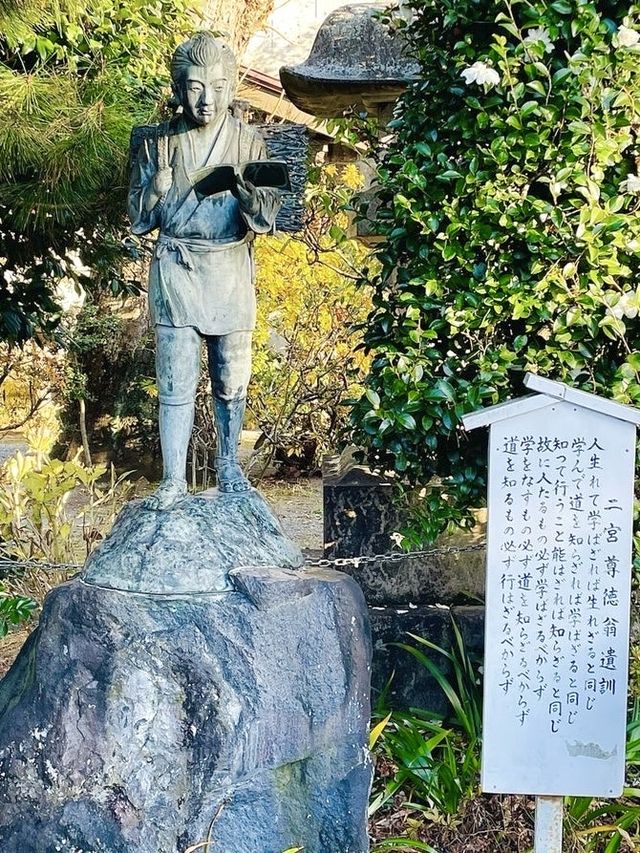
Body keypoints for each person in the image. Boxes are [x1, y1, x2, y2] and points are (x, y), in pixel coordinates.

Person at [128, 32, 281, 509]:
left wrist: (254, 201)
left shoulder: (249, 141)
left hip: (230, 266)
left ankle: (229, 467)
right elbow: (137, 219)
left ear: (231, 87)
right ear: (179, 89)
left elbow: (267, 218)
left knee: (231, 375)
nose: (206, 99)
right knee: (175, 377)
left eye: (216, 86)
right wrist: (154, 188)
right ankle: (173, 477)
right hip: (177, 266)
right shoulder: (157, 144)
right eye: (194, 87)